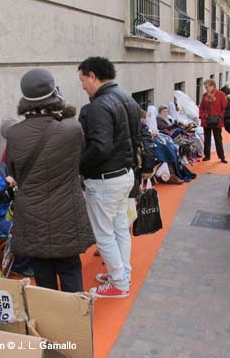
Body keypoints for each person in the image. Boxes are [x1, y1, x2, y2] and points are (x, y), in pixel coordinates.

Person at [6, 68, 95, 292]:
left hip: (32, 214)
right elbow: (79, 162)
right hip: (66, 212)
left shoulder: (14, 134)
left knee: (42, 274)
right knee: (70, 270)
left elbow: (14, 174)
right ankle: (76, 322)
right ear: (54, 95)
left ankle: (48, 322)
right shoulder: (73, 129)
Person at [77, 56, 141, 299]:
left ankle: (118, 282)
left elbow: (100, 147)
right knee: (120, 228)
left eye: (83, 79)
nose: (82, 85)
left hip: (106, 179)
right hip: (124, 175)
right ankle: (121, 274)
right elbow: (135, 137)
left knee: (105, 233)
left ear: (92, 76)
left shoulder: (99, 106)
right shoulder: (127, 98)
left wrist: (78, 166)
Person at [199, 79, 228, 163]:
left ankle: (221, 156)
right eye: (205, 87)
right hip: (206, 120)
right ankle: (207, 156)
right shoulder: (205, 95)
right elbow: (202, 107)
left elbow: (224, 108)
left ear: (213, 86)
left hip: (217, 121)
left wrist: (220, 117)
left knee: (218, 139)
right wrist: (202, 115)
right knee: (206, 139)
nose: (206, 89)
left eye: (207, 87)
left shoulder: (221, 95)